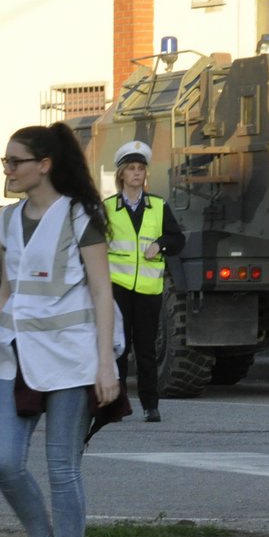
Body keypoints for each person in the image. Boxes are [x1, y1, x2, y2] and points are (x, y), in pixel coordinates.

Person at [0, 123, 122, 537]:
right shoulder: (8, 220)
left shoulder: (81, 217)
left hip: (74, 358)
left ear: (45, 165)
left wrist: (106, 364)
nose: (8, 169)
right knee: (4, 461)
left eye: (15, 161)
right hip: (19, 354)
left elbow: (103, 292)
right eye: (5, 162)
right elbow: (9, 290)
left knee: (62, 469)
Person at [103, 139, 185, 422]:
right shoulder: (108, 208)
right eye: (132, 169)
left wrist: (160, 244)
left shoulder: (159, 207)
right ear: (121, 175)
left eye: (141, 169)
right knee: (119, 349)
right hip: (118, 289)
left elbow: (178, 239)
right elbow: (96, 246)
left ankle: (151, 405)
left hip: (149, 290)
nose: (137, 173)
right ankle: (117, 404)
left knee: (147, 350)